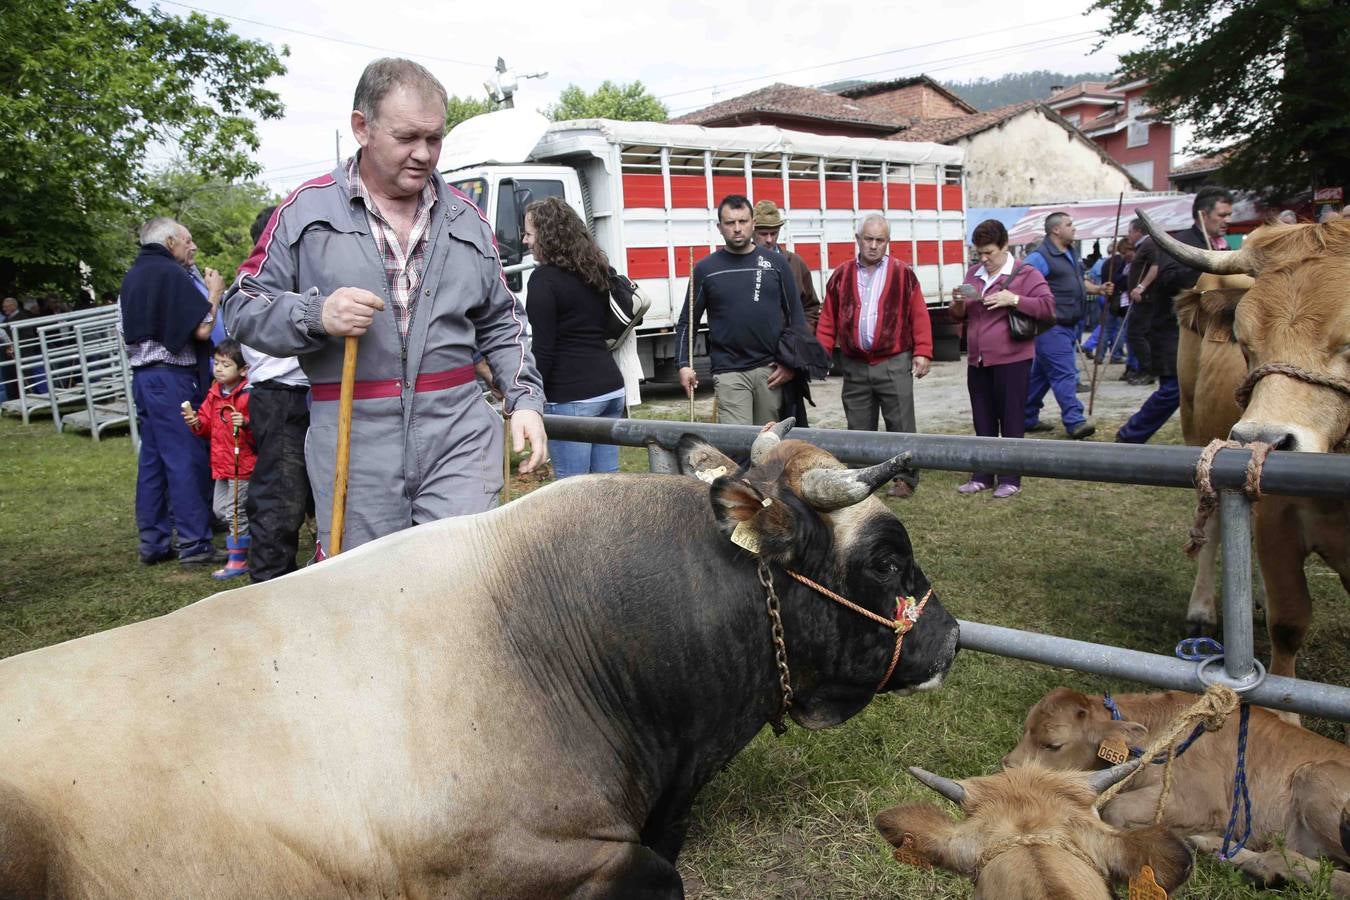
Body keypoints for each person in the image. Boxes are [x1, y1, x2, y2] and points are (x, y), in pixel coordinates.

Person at [223, 58, 547, 554]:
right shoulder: (305, 213)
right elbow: (241, 306)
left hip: (457, 432)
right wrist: (315, 316)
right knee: (370, 601)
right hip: (354, 439)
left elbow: (503, 323)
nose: (423, 154)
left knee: (460, 581)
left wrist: (524, 398)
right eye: (407, 137)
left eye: (434, 139)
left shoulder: (467, 220)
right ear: (362, 127)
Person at [120, 217, 221, 566]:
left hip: (143, 377)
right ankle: (194, 544)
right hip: (171, 377)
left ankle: (154, 542)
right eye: (187, 240)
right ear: (169, 243)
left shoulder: (132, 276)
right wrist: (215, 294)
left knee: (152, 461)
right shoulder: (171, 274)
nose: (192, 247)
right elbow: (203, 331)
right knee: (184, 458)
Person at [816, 213, 932, 499]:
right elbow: (828, 318)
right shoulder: (841, 275)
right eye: (868, 239)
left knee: (901, 424)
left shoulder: (903, 273)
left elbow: (918, 314)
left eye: (880, 240)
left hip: (893, 360)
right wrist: (821, 353)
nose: (873, 245)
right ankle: (859, 479)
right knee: (857, 425)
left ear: (887, 242)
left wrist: (923, 351)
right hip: (854, 364)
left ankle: (904, 479)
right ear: (858, 240)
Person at [1115, 187, 1235, 444]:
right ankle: (1130, 435)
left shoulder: (1219, 246)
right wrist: (1205, 268)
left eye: (1229, 215)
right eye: (1222, 215)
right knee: (1172, 389)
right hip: (1173, 331)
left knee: (1201, 390)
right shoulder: (1181, 244)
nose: (1227, 220)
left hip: (1205, 333)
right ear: (1203, 215)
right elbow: (1168, 279)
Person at [234, 205, 315, 582]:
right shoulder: (259, 287)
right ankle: (270, 582)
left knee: (314, 491)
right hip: (282, 396)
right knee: (281, 496)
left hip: (308, 394)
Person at [948, 219, 1056, 498]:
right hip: (977, 360)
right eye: (979, 253)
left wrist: (1015, 300)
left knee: (1011, 419)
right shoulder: (974, 273)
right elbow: (959, 316)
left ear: (1005, 246)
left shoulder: (1025, 273)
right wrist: (958, 302)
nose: (984, 260)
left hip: (1012, 359)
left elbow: (1047, 307)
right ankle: (982, 475)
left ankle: (1010, 477)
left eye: (989, 253)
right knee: (982, 419)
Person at [675, 194, 803, 427]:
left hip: (770, 370)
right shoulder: (706, 269)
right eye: (730, 223)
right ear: (719, 227)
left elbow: (796, 317)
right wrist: (683, 364)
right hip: (729, 372)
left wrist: (790, 364)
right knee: (739, 444)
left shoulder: (776, 264)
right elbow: (687, 322)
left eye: (743, 221)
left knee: (768, 446)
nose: (737, 228)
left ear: (753, 223)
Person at [521, 196, 625, 479]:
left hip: (572, 397)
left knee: (574, 494)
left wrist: (528, 397)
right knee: (608, 490)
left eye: (529, 233)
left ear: (547, 236)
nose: (524, 241)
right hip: (611, 388)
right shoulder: (594, 269)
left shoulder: (543, 280)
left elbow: (543, 349)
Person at [1022, 212, 1113, 439]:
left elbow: (1077, 282)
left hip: (1069, 324)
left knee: (1041, 376)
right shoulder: (1039, 257)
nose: (1074, 228)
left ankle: (1025, 416)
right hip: (1051, 326)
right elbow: (1020, 281)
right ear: (1055, 230)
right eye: (1069, 224)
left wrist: (1099, 289)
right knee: (1065, 372)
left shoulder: (1069, 253)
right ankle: (1075, 420)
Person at [182, 338, 256, 579]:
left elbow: (258, 427)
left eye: (226, 364)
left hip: (241, 464)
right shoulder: (214, 393)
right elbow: (206, 424)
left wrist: (245, 423)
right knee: (221, 511)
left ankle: (238, 558)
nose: (219, 369)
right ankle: (248, 540)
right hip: (221, 465)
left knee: (235, 512)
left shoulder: (247, 395)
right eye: (217, 363)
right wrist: (196, 423)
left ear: (243, 369)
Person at [752, 199, 821, 426]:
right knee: (762, 435)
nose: (769, 239)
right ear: (753, 231)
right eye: (763, 233)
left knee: (795, 430)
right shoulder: (742, 266)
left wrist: (794, 354)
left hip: (791, 366)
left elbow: (811, 307)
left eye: (774, 232)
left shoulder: (795, 263)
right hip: (755, 365)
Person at [1123, 218, 1158, 385]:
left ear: (1138, 231)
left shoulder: (1149, 245)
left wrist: (1141, 287)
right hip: (1142, 299)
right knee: (1140, 334)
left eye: (1130, 231)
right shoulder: (1143, 246)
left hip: (1145, 299)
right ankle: (1144, 369)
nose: (1128, 235)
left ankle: (1148, 370)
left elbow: (1155, 266)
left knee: (1136, 334)